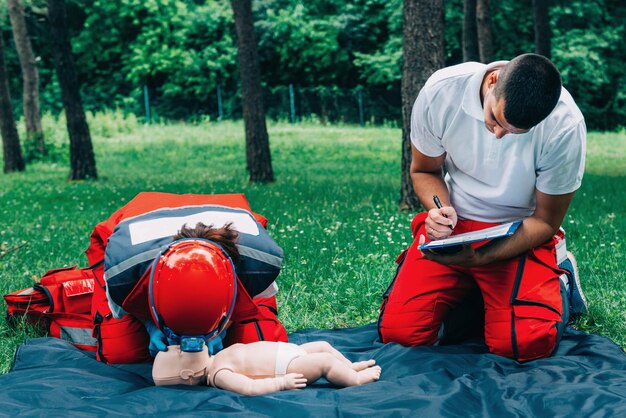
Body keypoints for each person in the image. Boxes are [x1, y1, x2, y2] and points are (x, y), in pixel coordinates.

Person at [377, 53, 587, 362]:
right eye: (496, 120)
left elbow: (545, 221)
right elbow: (424, 171)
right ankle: (478, 296)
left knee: (525, 345)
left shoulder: (565, 124)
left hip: (520, 233)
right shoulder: (442, 90)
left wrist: (481, 258)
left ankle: (562, 275)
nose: (500, 135)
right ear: (492, 82)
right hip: (457, 227)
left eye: (517, 131)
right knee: (400, 335)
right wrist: (440, 210)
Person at [86, 192, 288, 363]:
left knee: (262, 342)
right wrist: (149, 326)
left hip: (229, 223)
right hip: (138, 222)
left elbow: (252, 300)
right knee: (120, 353)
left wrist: (225, 327)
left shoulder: (258, 262)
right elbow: (129, 305)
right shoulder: (123, 272)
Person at [152, 341, 382, 395]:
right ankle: (355, 379)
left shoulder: (216, 355)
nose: (181, 345)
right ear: (187, 374)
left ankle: (349, 366)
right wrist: (281, 383)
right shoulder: (219, 375)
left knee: (323, 345)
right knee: (324, 361)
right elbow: (249, 387)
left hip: (290, 350)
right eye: (179, 351)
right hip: (287, 366)